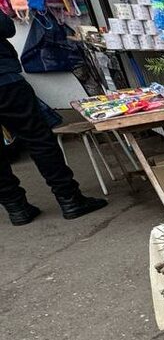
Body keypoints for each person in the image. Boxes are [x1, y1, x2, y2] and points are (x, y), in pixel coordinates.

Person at [0, 13, 106, 226]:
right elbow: (6, 28)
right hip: (4, 81)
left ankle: (16, 208)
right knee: (38, 139)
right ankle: (69, 199)